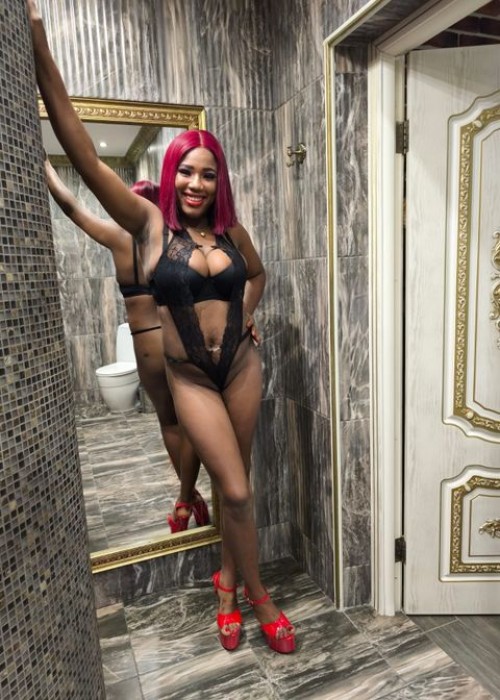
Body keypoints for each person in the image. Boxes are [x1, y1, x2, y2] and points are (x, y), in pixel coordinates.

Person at [28, 0, 295, 654]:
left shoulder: (231, 232)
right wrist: (38, 42)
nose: (196, 183)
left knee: (236, 489)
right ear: (171, 174)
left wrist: (249, 312)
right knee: (235, 488)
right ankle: (258, 594)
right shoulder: (149, 227)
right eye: (186, 170)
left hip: (241, 366)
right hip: (189, 378)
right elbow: (85, 156)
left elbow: (258, 274)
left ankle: (228, 586)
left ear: (219, 180)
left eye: (208, 173)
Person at [44, 159, 208, 532]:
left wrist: (49, 171)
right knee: (192, 423)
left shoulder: (118, 238)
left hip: (145, 340)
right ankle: (187, 497)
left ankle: (188, 500)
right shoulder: (173, 240)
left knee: (169, 421)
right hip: (179, 338)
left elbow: (72, 207)